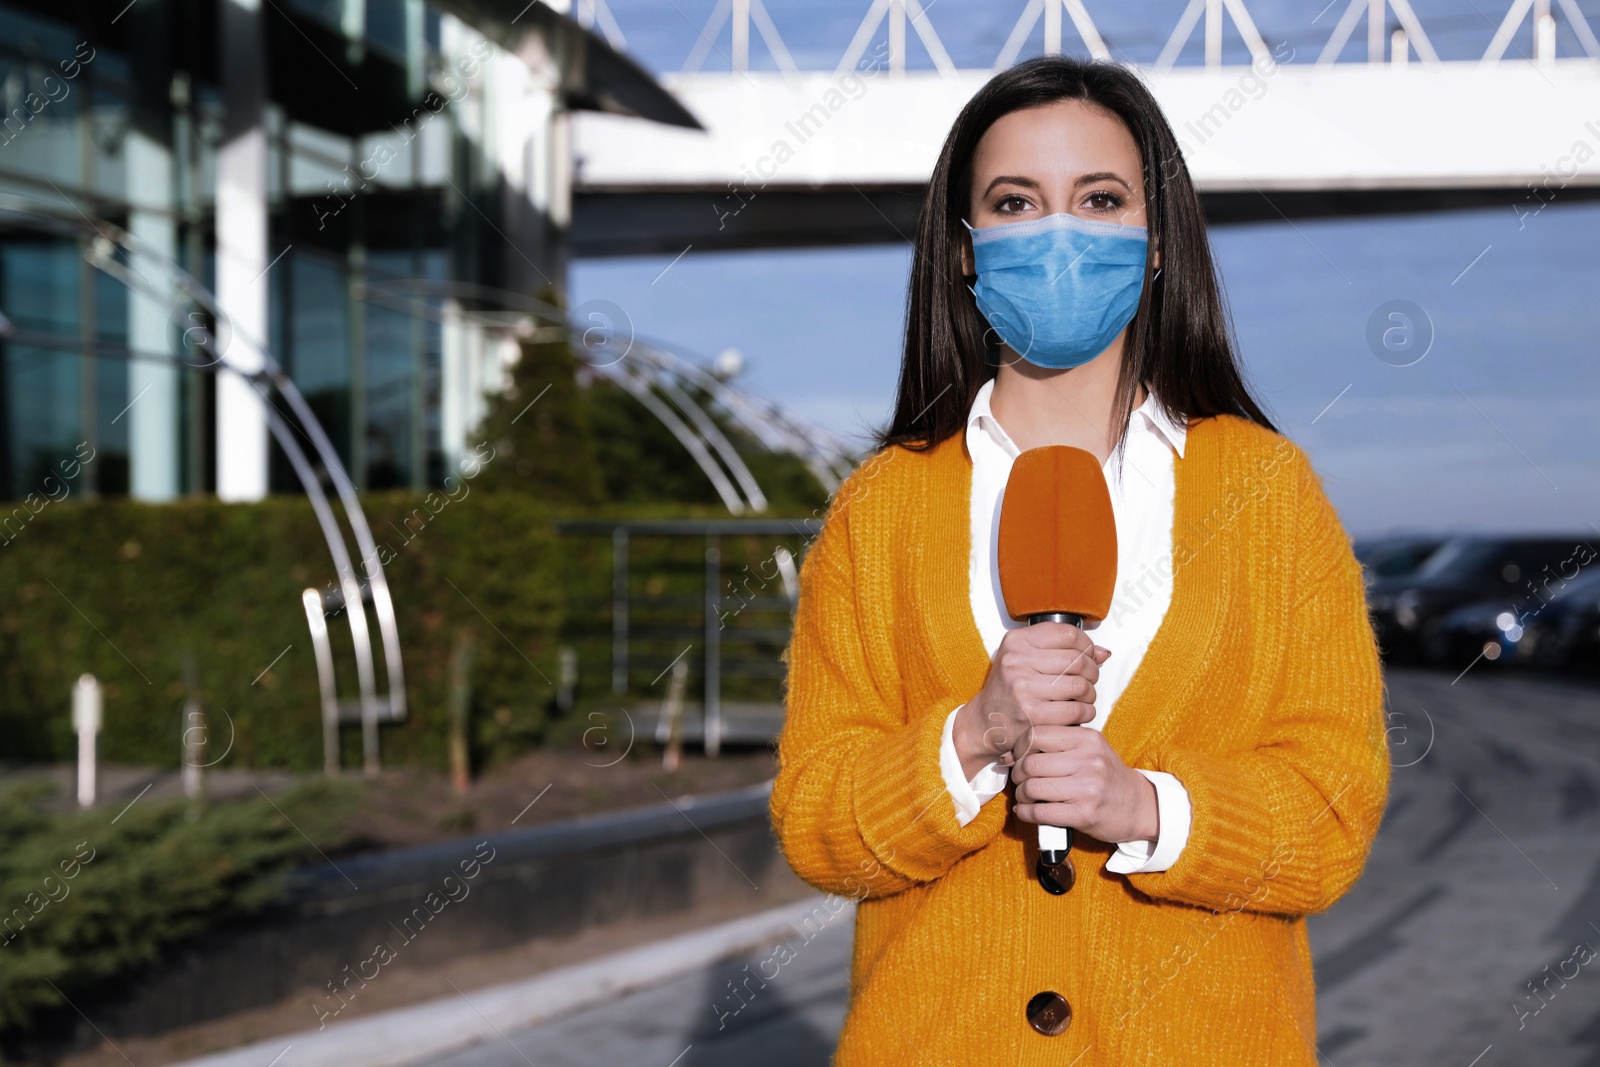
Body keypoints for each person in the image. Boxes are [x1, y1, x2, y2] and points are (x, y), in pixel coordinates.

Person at [770, 54, 1389, 1065]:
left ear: (1154, 242)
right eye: (1014, 201)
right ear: (964, 251)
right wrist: (969, 738)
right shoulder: (879, 507)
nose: (1057, 231)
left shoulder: (1267, 492)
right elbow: (817, 822)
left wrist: (1144, 805)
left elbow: (1331, 813)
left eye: (1099, 198)